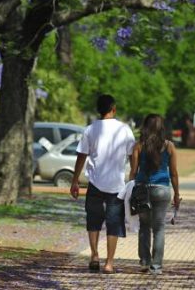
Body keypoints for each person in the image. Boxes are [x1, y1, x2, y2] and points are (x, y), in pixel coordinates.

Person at [70, 94, 136, 274]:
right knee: (114, 223)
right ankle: (109, 263)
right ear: (113, 109)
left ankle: (94, 255)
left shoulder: (90, 130)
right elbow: (133, 154)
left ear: (98, 110)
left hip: (95, 183)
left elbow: (81, 156)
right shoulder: (124, 129)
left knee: (93, 220)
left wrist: (75, 180)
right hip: (117, 185)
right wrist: (133, 173)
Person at [128, 114, 181, 275]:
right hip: (162, 189)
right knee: (159, 228)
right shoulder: (169, 146)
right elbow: (174, 173)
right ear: (161, 128)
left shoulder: (138, 146)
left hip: (142, 188)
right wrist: (177, 194)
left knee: (145, 226)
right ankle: (156, 267)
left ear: (145, 127)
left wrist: (130, 189)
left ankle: (145, 262)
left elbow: (133, 171)